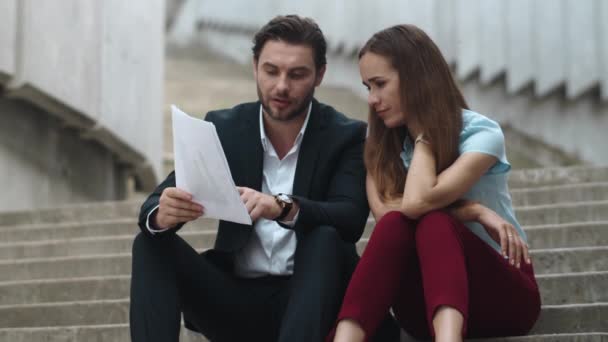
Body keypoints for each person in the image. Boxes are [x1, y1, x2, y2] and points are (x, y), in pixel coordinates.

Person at [129, 15, 399, 342]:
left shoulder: (346, 136)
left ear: (320, 75)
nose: (281, 86)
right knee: (150, 242)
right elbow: (155, 201)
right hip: (235, 301)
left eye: (297, 74)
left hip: (313, 300)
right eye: (271, 71)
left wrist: (280, 207)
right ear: (255, 65)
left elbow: (350, 218)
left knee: (325, 238)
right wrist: (162, 213)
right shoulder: (226, 128)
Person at [329, 25, 541, 342]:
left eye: (380, 84)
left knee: (435, 222)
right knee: (402, 224)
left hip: (504, 295)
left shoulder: (482, 134)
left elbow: (418, 202)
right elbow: (390, 217)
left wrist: (425, 135)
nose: (372, 99)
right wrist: (473, 211)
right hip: (424, 305)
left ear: (416, 78)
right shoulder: (380, 146)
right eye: (367, 87)